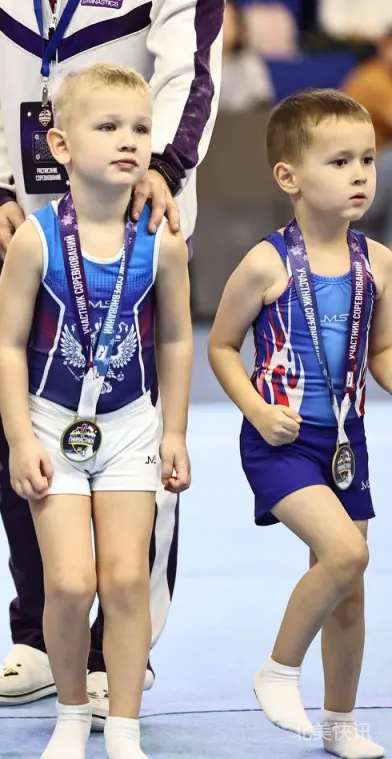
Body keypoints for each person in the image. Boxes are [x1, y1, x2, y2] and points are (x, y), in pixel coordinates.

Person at [0, 0, 225, 720]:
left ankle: (116, 655)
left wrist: (164, 163)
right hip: (35, 213)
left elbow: (191, 68)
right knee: (31, 433)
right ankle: (40, 637)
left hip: (142, 210)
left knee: (137, 431)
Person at [0, 62, 192, 759]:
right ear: (61, 145)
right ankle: (73, 712)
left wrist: (174, 431)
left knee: (127, 579)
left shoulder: (163, 242)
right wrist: (20, 438)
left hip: (132, 424)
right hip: (52, 425)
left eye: (139, 127)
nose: (128, 139)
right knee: (72, 583)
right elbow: (7, 346)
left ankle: (126, 727)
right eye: (107, 126)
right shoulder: (36, 238)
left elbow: (176, 338)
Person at [208, 88, 387, 759]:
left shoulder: (379, 264)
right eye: (340, 162)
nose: (360, 174)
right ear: (289, 177)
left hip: (346, 442)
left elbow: (381, 351)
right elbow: (221, 346)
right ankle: (278, 670)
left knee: (349, 593)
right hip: (279, 441)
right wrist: (257, 410)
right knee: (347, 554)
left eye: (367, 159)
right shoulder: (267, 262)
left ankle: (340, 725)